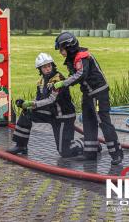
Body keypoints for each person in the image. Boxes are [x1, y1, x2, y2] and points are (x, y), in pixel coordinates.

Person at [53, 32, 124, 165]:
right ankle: (90, 153)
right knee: (88, 121)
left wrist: (64, 83)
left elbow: (81, 75)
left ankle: (116, 154)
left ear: (69, 47)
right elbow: (74, 75)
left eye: (62, 50)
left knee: (103, 122)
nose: (61, 53)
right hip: (88, 95)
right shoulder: (74, 58)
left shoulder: (82, 57)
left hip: (98, 94)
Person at [6, 53, 88, 157]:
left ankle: (87, 142)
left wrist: (32, 104)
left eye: (49, 66)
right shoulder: (41, 81)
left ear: (53, 65)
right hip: (50, 113)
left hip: (63, 116)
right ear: (40, 69)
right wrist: (25, 104)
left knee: (65, 152)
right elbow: (39, 99)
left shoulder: (59, 79)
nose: (48, 69)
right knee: (27, 113)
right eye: (44, 67)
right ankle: (21, 145)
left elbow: (51, 100)